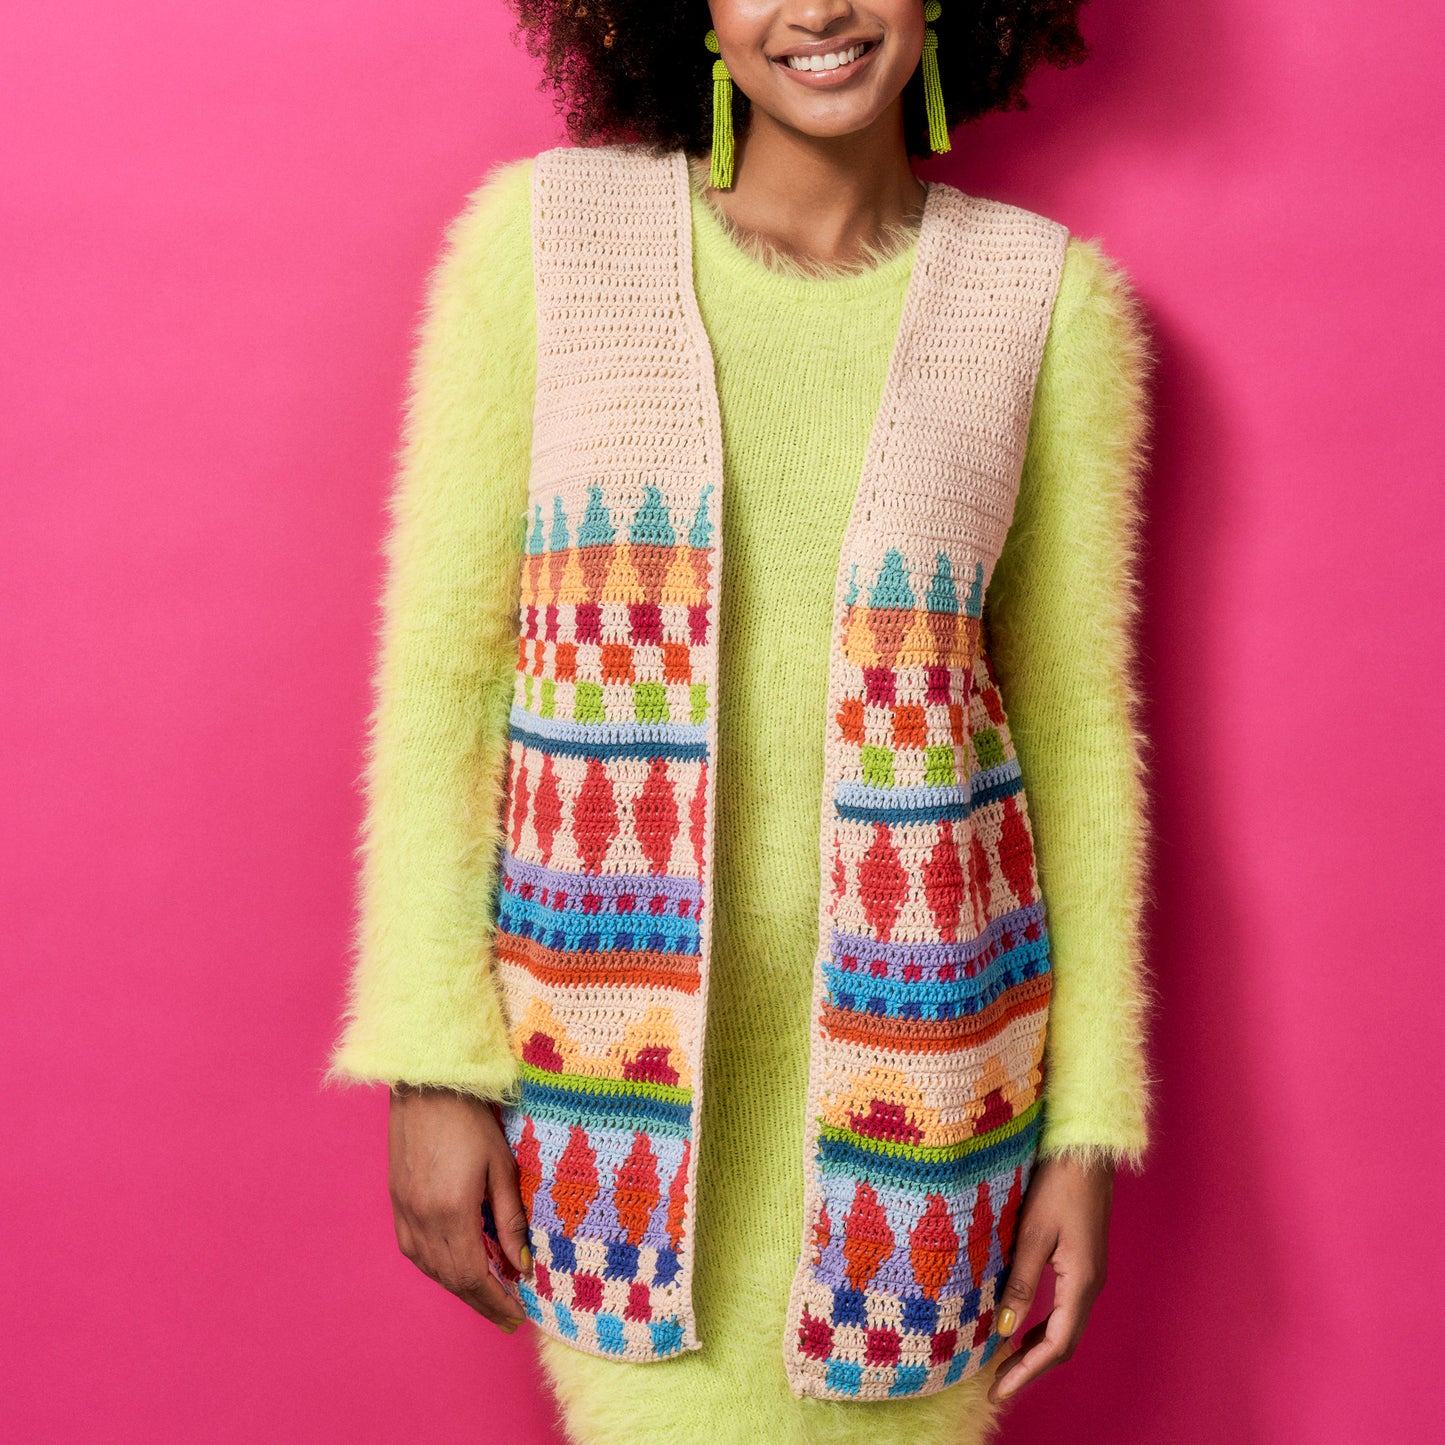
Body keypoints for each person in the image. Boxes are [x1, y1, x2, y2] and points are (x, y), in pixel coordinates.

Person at [325, 2, 1155, 1441]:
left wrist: (1084, 1132)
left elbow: (1075, 731)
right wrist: (431, 1060)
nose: (817, 9)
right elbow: (445, 682)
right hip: (606, 1092)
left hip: (928, 1108)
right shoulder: (546, 250)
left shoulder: (1043, 303)